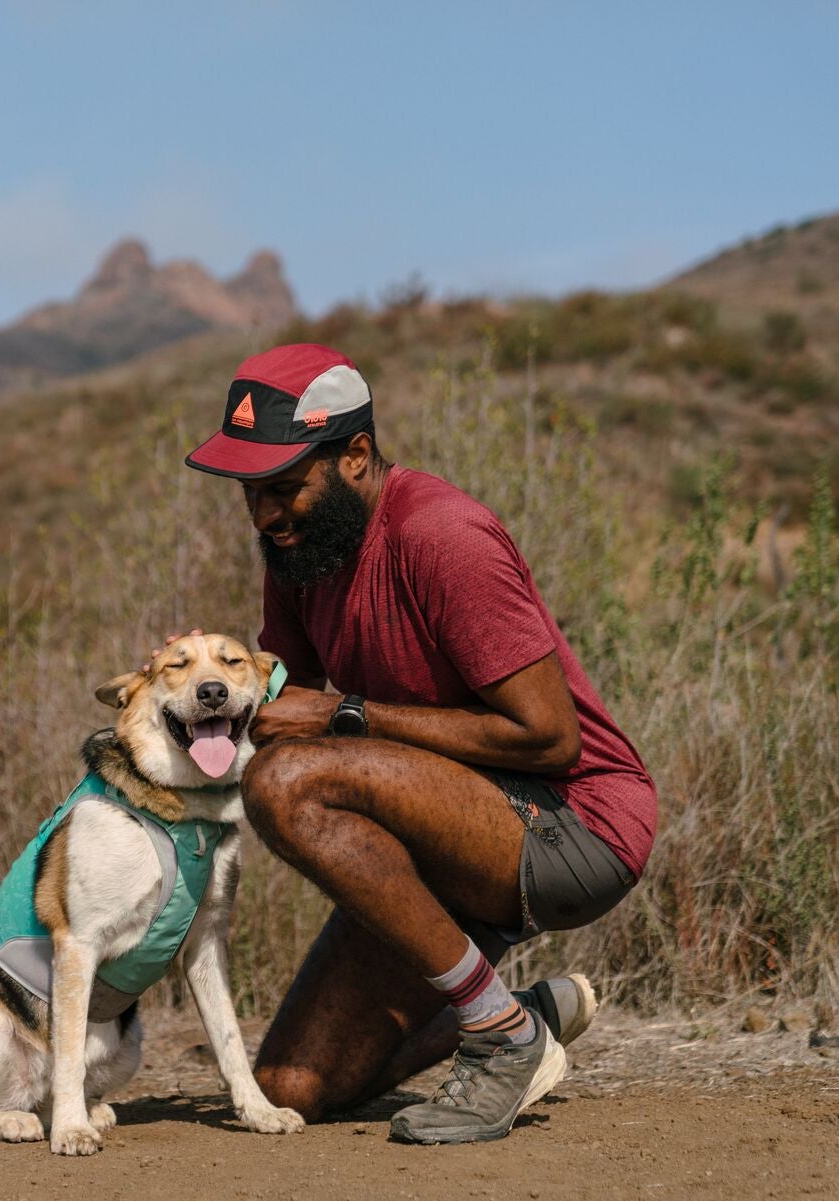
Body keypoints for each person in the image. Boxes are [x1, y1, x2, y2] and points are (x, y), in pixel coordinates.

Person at [181, 343, 657, 1145]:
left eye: (284, 488)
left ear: (357, 456)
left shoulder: (444, 535)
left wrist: (345, 715)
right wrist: (186, 686)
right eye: (249, 492)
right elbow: (281, 703)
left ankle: (497, 1036)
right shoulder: (299, 554)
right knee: (289, 1087)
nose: (264, 515)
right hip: (447, 827)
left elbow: (550, 737)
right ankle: (518, 1018)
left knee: (286, 782)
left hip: (574, 827)